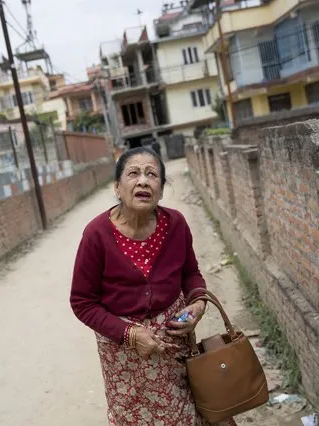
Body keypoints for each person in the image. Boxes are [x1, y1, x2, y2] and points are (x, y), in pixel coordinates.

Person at [70, 147, 234, 425]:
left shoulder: (176, 224)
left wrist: (197, 305)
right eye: (133, 174)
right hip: (123, 354)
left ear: (161, 188)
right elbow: (82, 303)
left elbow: (191, 274)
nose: (143, 181)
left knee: (189, 413)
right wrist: (130, 334)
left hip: (174, 344)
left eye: (152, 174)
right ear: (117, 187)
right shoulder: (96, 234)